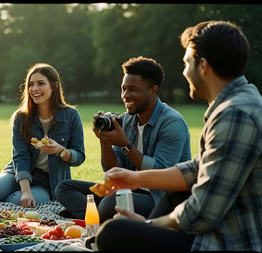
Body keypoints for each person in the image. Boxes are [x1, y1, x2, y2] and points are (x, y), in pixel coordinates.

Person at [95, 20, 262, 251]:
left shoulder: (236, 114)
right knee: (172, 194)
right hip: (216, 230)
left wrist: (150, 225)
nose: (184, 72)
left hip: (226, 241)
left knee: (113, 233)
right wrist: (134, 178)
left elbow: (202, 212)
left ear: (203, 65)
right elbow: (195, 168)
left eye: (186, 63)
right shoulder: (239, 103)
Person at [55, 56, 191, 222]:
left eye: (132, 89)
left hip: (159, 197)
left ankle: (93, 215)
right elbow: (112, 168)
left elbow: (160, 171)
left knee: (111, 202)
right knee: (64, 188)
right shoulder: (128, 120)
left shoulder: (171, 123)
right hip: (128, 190)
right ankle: (99, 216)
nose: (125, 95)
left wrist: (126, 145)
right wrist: (104, 140)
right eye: (123, 89)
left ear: (153, 91)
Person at [0, 63, 85, 208]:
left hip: (48, 181)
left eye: (41, 83)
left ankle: (12, 196)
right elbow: (20, 156)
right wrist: (26, 191)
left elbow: (79, 156)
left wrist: (61, 150)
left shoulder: (71, 116)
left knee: (15, 202)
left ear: (54, 86)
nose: (34, 89)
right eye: (31, 84)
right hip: (19, 172)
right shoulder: (21, 118)